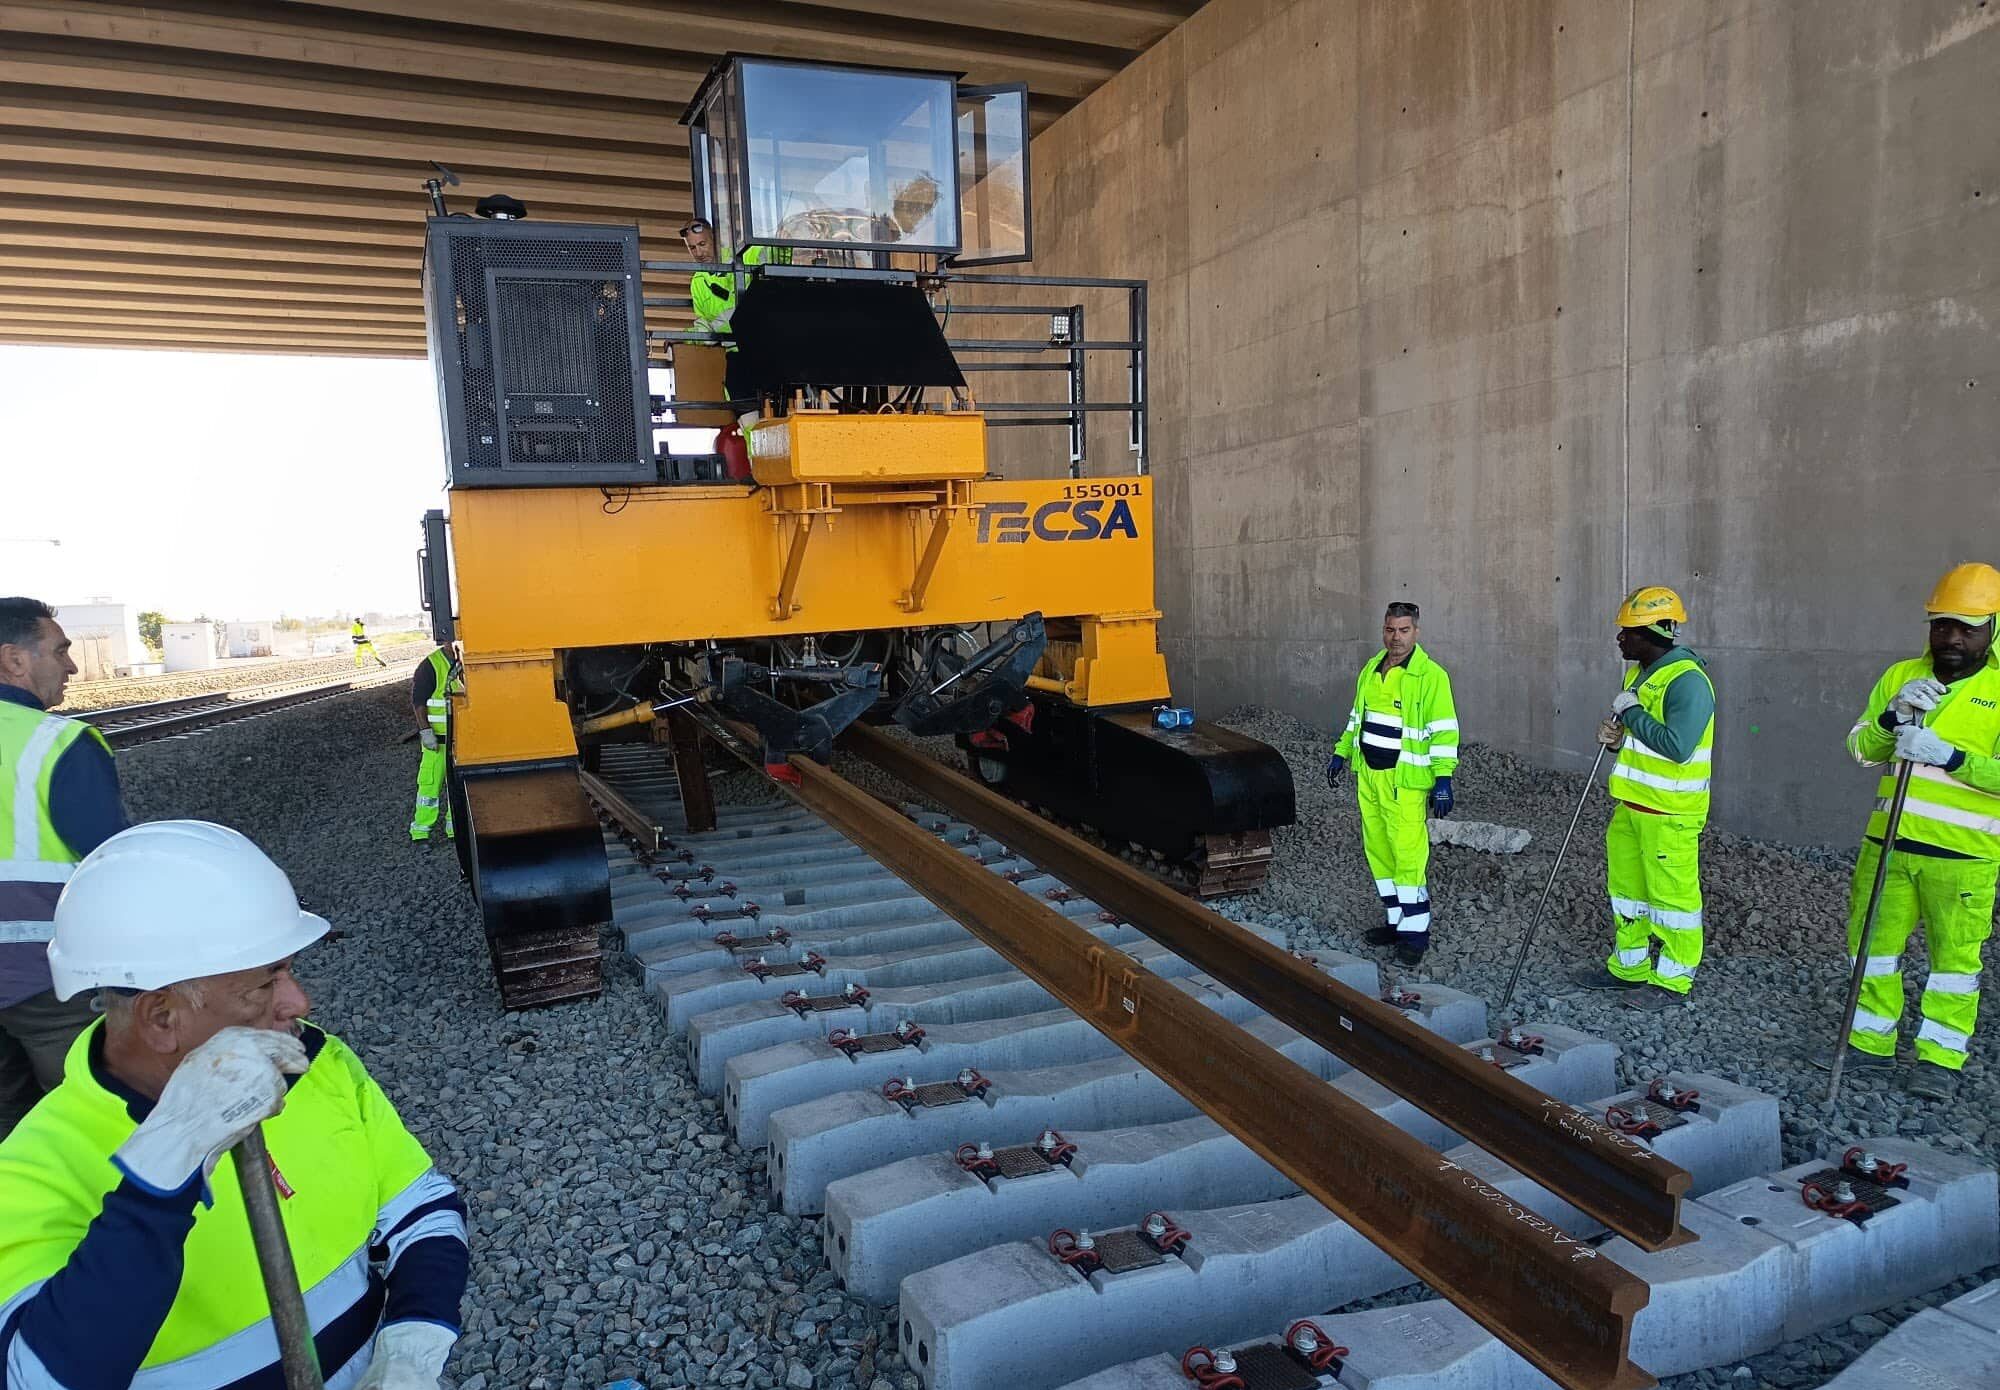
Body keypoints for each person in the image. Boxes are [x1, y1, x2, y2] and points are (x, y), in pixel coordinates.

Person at [0, 820, 469, 1386]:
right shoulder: (32, 1171)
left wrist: (412, 1345)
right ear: (162, 1018)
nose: (299, 1001)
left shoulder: (314, 1064)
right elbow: (36, 1379)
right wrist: (165, 1163)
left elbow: (422, 1207)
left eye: (289, 972)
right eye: (263, 985)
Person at [1823, 562, 2000, 1099]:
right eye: (1940, 624)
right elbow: (1858, 749)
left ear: (1993, 628)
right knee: (1871, 949)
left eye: (1966, 627)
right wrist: (1891, 719)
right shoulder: (1902, 677)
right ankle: (1870, 1044)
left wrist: (1951, 757)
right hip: (1887, 845)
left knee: (1953, 963)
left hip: (1962, 857)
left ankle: (1940, 1061)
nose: (1950, 637)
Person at [0, 597, 128, 1141]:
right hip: (48, 981)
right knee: (92, 1125)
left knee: (10, 1131)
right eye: (60, 650)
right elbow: (113, 870)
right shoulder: (59, 744)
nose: (72, 666)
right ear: (14, 661)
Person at [1573, 586, 1716, 1008]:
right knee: (1627, 892)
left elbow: (1678, 746)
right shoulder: (1638, 675)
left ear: (1654, 631)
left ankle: (1673, 980)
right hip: (1631, 805)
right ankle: (1629, 966)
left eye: (1628, 631)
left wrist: (1632, 713)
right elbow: (1641, 740)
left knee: (1673, 901)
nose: (1620, 638)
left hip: (1669, 814)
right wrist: (1616, 738)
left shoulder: (1689, 682)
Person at [1326, 602, 1458, 966]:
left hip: (1406, 783)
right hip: (1369, 777)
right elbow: (1357, 718)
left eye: (1403, 631)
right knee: (1380, 852)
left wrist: (1443, 778)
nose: (1395, 638)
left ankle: (1415, 935)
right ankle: (1396, 922)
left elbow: (1444, 732)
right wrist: (1341, 753)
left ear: (1416, 632)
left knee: (1408, 858)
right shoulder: (1372, 669)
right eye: (1389, 630)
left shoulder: (1431, 677)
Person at [410, 644, 463, 842]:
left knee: (456, 787)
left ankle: (453, 830)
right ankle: (421, 832)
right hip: (436, 743)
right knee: (429, 786)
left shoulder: (464, 662)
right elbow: (418, 702)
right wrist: (425, 731)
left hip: (459, 741)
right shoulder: (430, 665)